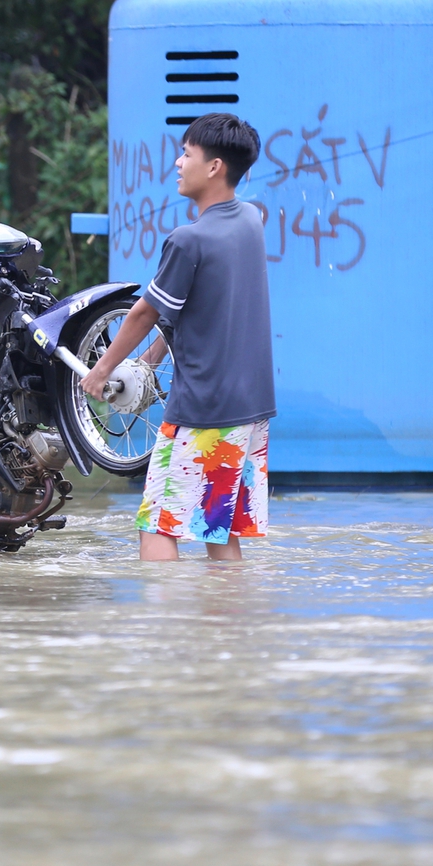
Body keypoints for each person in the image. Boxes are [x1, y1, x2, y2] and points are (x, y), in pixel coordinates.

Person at [81, 113, 274, 562]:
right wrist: (148, 361)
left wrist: (101, 371)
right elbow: (196, 309)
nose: (176, 163)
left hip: (204, 408)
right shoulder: (250, 221)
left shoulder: (189, 239)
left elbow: (145, 312)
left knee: (157, 527)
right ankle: (225, 627)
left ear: (214, 167)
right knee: (217, 528)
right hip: (251, 407)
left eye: (186, 154)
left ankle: (168, 632)